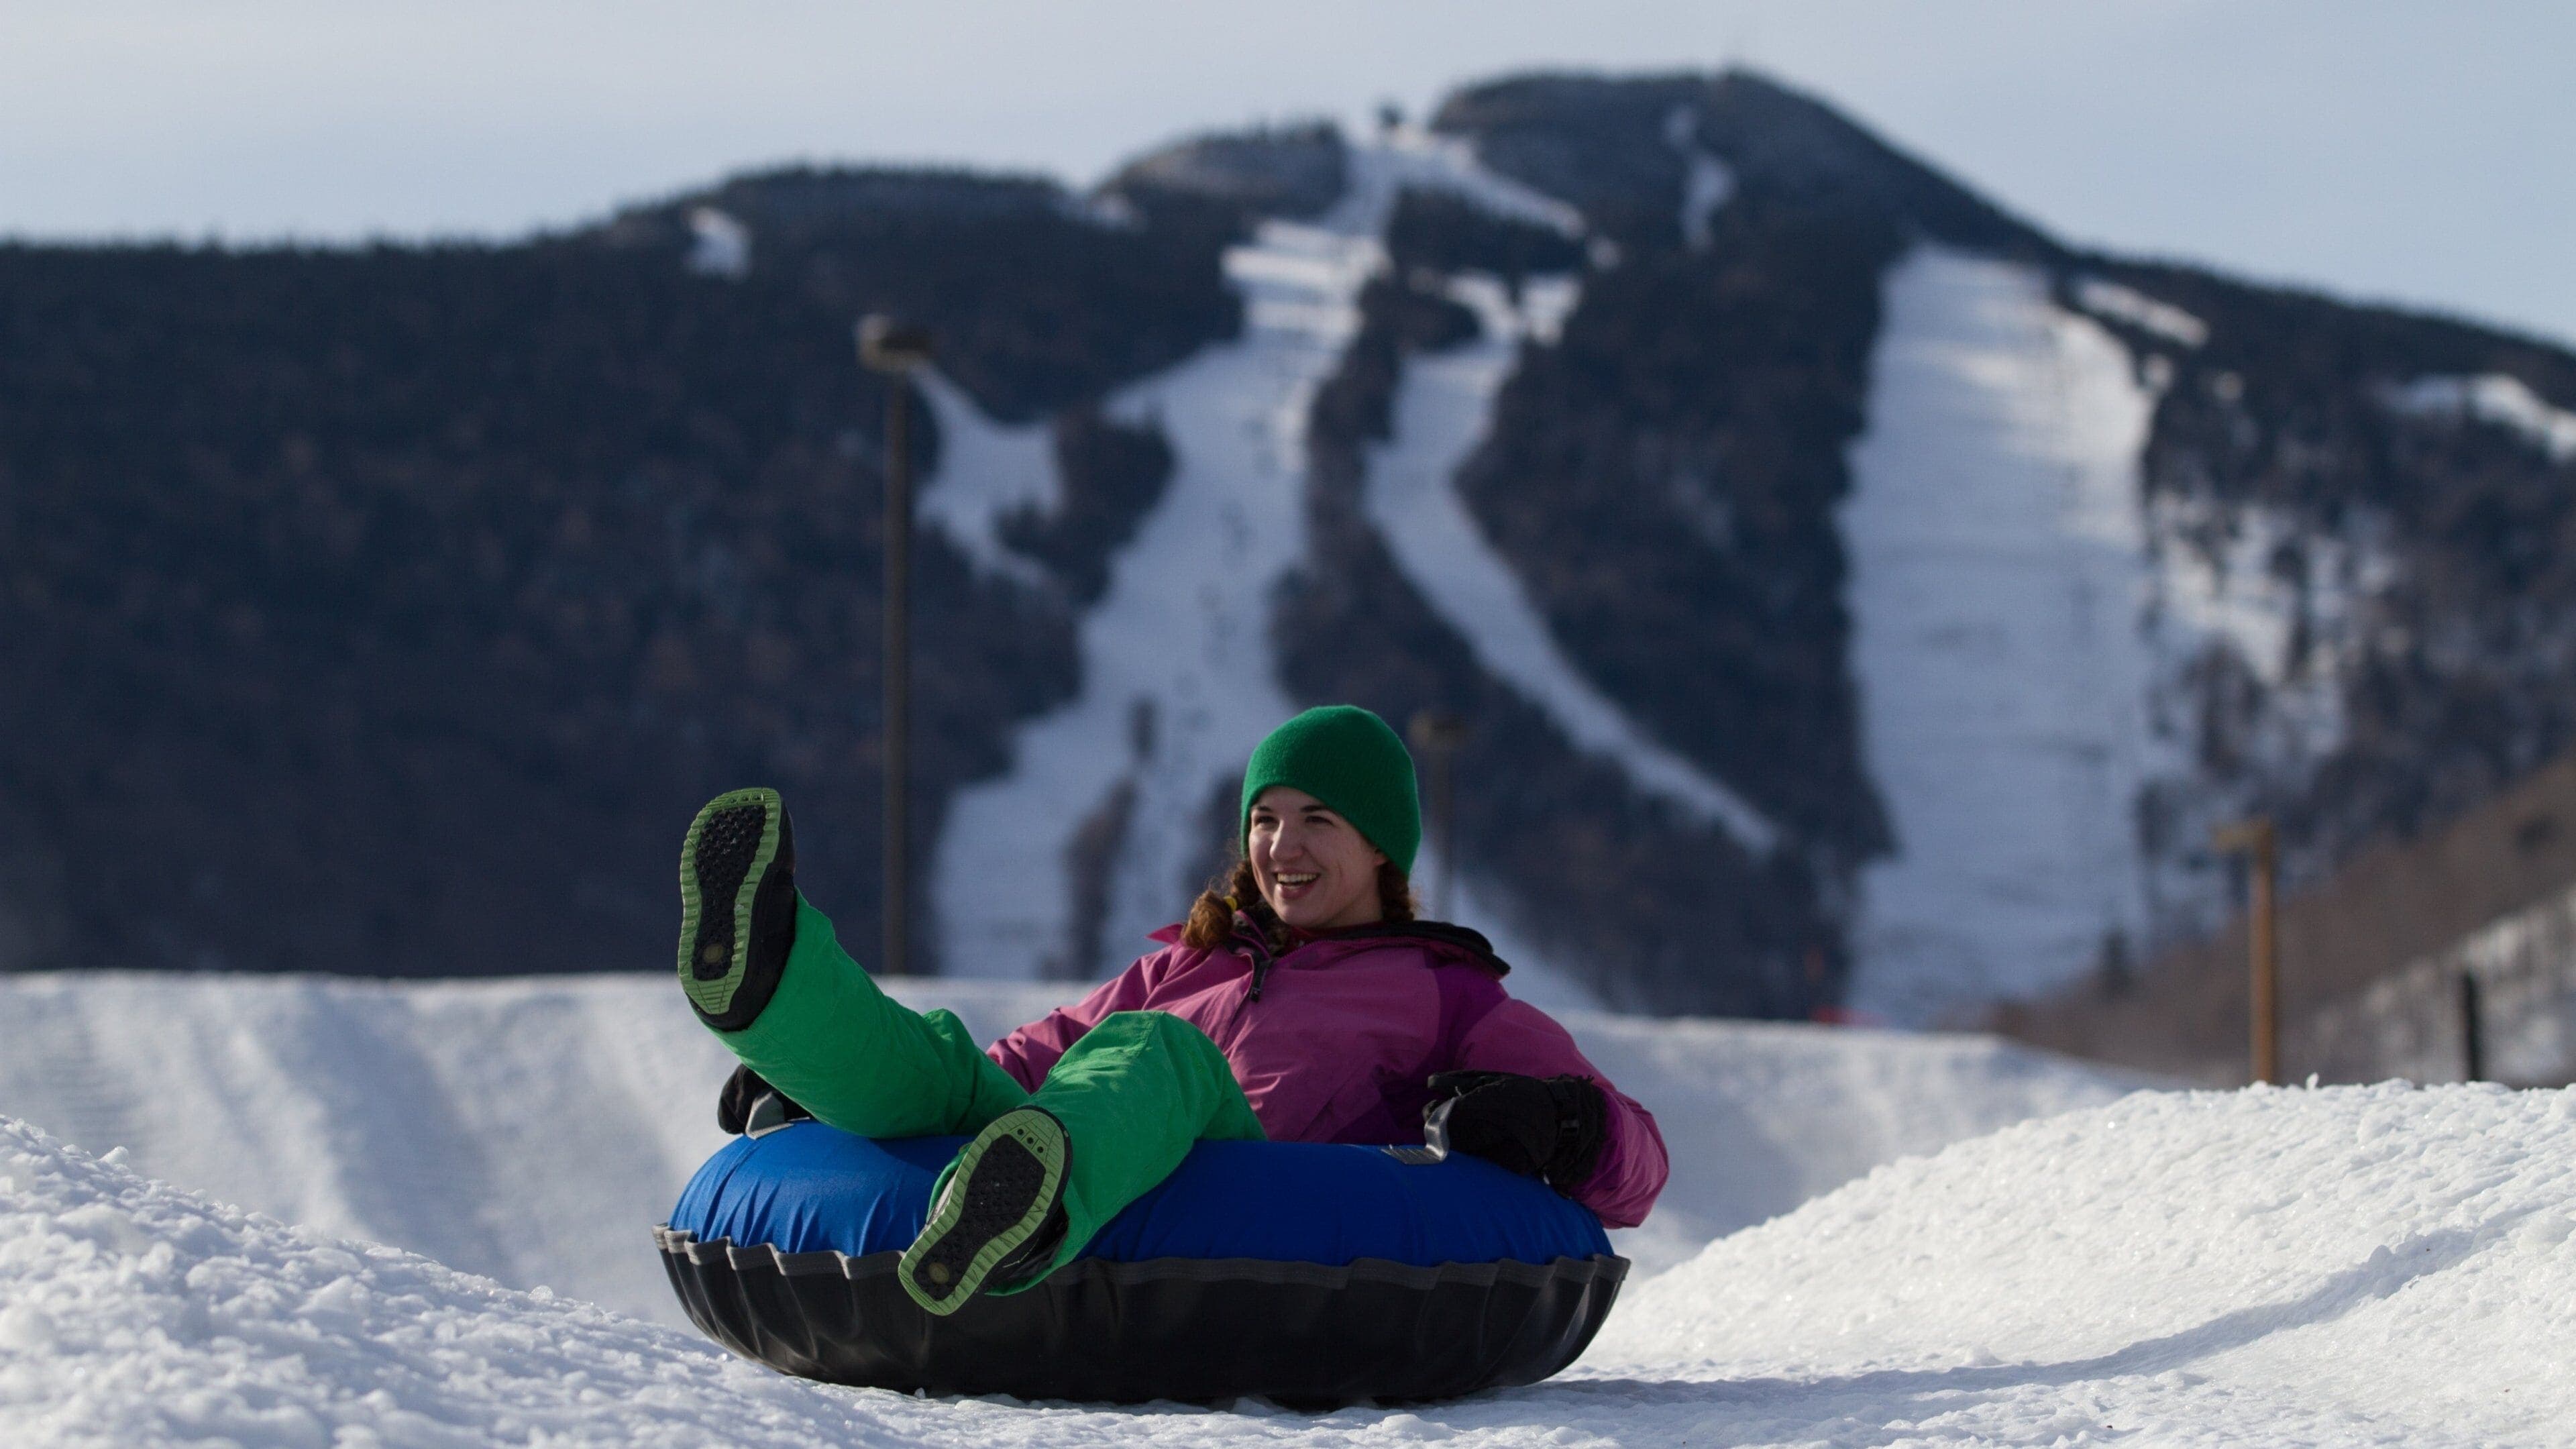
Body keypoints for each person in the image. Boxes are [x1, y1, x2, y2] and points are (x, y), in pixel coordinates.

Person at [676, 704, 1667, 1316]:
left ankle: (1026, 1216)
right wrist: (836, 1086)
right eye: (1265, 819)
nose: (1284, 846)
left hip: (1240, 1189)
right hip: (1085, 1137)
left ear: (1382, 852)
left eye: (1319, 820)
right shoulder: (1193, 962)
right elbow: (1032, 1057)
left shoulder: (1446, 993)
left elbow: (1636, 1166)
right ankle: (785, 1005)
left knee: (1158, 1054)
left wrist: (1565, 1125)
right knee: (946, 1067)